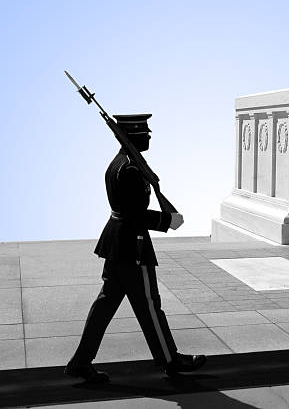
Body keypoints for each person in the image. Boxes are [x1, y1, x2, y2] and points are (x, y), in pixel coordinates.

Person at [65, 114, 206, 382]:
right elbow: (134, 214)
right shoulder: (129, 169)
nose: (149, 136)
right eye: (144, 133)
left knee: (105, 306)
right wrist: (167, 220)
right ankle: (170, 359)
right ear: (132, 136)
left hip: (117, 243)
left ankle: (80, 362)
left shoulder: (120, 163)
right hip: (132, 246)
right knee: (150, 306)